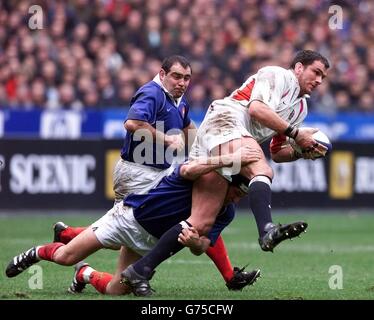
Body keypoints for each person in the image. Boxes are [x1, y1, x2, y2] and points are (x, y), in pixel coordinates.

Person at [121, 50, 330, 296]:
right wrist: (297, 134)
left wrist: (300, 151)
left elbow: (277, 152)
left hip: (224, 141)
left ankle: (140, 270)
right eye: (316, 72)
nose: (319, 80)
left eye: (323, 77)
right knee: (260, 168)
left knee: (199, 224)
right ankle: (266, 230)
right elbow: (256, 110)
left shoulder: (300, 108)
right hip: (225, 120)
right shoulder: (277, 76)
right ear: (298, 68)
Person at [54, 55, 254, 290]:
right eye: (177, 76)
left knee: (172, 219)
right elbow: (132, 123)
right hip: (138, 172)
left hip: (154, 171)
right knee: (144, 227)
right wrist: (166, 139)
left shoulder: (178, 100)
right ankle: (227, 276)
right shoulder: (153, 93)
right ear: (162, 75)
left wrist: (211, 145)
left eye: (187, 78)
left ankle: (77, 251)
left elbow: (189, 129)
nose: (182, 82)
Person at [5, 147, 262, 296]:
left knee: (116, 290)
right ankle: (37, 252)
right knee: (65, 257)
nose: (235, 200)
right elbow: (186, 169)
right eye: (236, 193)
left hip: (147, 245)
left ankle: (85, 273)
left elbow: (204, 245)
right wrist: (227, 159)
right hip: (126, 221)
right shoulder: (201, 178)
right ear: (226, 182)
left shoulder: (225, 212)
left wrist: (195, 244)